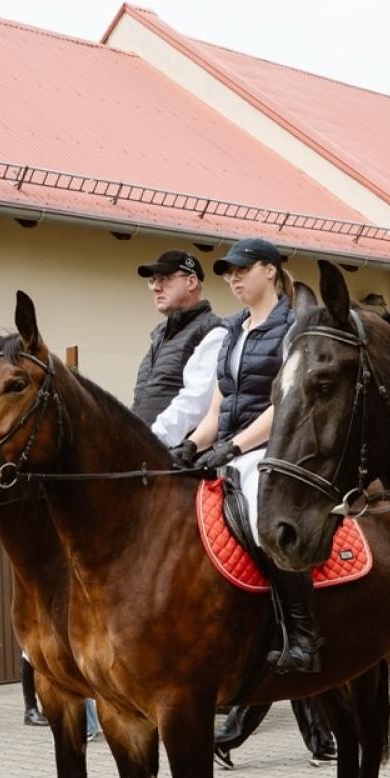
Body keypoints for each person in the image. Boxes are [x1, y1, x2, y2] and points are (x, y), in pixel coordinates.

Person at [170, 237, 324, 677]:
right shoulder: (233, 330)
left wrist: (234, 446)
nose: (234, 279)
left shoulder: (292, 327)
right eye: (229, 273)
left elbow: (286, 404)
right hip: (228, 450)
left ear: (270, 270)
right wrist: (192, 445)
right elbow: (218, 409)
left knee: (263, 517)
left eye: (243, 270)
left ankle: (304, 634)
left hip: (273, 451)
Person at [131, 250, 223, 439]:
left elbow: (196, 403)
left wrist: (150, 440)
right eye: (153, 280)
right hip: (143, 447)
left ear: (191, 282)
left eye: (164, 279)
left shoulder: (212, 331)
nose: (156, 287)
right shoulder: (159, 336)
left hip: (175, 452)